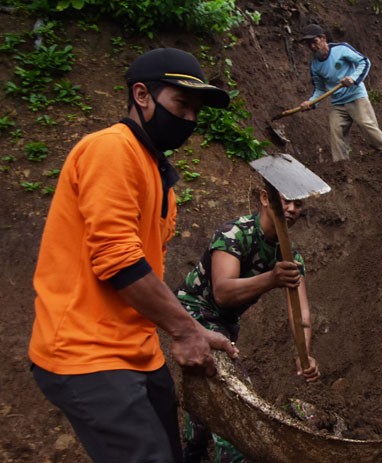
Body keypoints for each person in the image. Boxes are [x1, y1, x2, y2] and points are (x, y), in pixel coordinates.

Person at [28, 47, 239, 463]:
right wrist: (185, 330)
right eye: (181, 104)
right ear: (142, 95)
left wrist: (188, 326)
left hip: (137, 351)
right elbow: (119, 261)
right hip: (86, 353)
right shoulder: (111, 149)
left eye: (197, 110)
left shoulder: (161, 178)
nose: (190, 120)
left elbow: (146, 267)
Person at [178, 183, 321, 462]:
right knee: (235, 399)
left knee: (207, 394)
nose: (291, 209)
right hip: (195, 313)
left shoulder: (288, 255)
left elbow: (300, 313)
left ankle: (191, 453)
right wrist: (271, 279)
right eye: (286, 201)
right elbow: (223, 291)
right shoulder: (235, 234)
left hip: (226, 324)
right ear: (266, 198)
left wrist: (305, 355)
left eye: (299, 204)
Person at [297, 24, 382, 162]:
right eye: (309, 44)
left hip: (356, 96)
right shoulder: (315, 65)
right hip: (339, 104)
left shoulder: (341, 49)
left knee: (366, 124)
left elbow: (364, 62)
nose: (313, 47)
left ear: (323, 38)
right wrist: (311, 102)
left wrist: (353, 79)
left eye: (314, 41)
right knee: (335, 130)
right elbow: (320, 89)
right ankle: (342, 166)